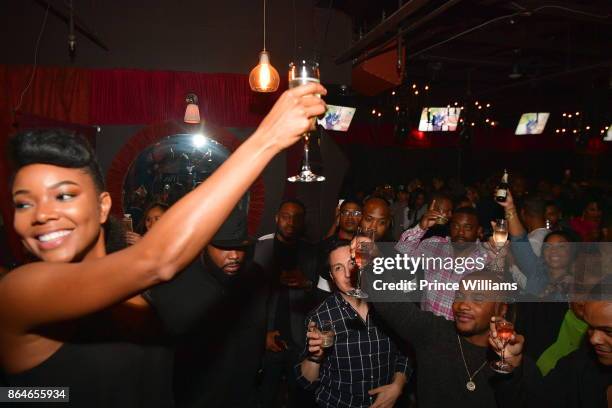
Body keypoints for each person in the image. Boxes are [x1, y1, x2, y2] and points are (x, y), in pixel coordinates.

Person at [0, 82, 327, 407]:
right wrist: (268, 138)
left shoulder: (143, 293)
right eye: (23, 203)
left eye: (64, 195)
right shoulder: (19, 292)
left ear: (102, 207)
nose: (42, 214)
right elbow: (155, 261)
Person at [166, 209, 268, 408]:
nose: (234, 256)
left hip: (244, 391)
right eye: (224, 247)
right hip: (198, 395)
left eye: (241, 248)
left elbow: (257, 329)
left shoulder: (255, 275)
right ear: (205, 244)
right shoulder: (181, 282)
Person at [372, 271, 519, 407]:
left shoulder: (512, 359)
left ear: (501, 309)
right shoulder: (434, 332)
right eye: (459, 296)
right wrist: (370, 263)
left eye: (478, 298)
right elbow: (391, 304)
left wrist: (514, 366)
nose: (463, 305)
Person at [297, 239, 410, 408]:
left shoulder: (387, 306)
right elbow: (307, 382)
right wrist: (315, 357)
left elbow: (406, 351)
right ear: (331, 277)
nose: (348, 274)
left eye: (351, 264)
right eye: (338, 268)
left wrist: (398, 385)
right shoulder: (320, 317)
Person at [255, 199, 320, 408]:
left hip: (300, 341)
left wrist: (307, 283)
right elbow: (250, 300)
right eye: (285, 216)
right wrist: (262, 333)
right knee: (264, 397)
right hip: (268, 340)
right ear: (276, 218)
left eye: (296, 218)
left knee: (298, 399)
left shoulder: (311, 252)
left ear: (303, 223)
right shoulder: (260, 248)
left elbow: (323, 297)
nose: (290, 222)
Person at [489, 299, 612, 407]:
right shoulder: (577, 368)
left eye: (608, 331)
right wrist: (512, 360)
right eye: (590, 327)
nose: (594, 339)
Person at [396, 204, 490, 320]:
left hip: (457, 331)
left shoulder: (486, 259)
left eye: (467, 228)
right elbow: (401, 249)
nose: (460, 233)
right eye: (456, 226)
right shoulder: (434, 245)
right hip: (425, 325)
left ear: (479, 231)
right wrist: (421, 227)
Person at [508, 196, 549, 289]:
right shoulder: (551, 235)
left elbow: (529, 284)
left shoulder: (531, 242)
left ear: (522, 213)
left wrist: (511, 263)